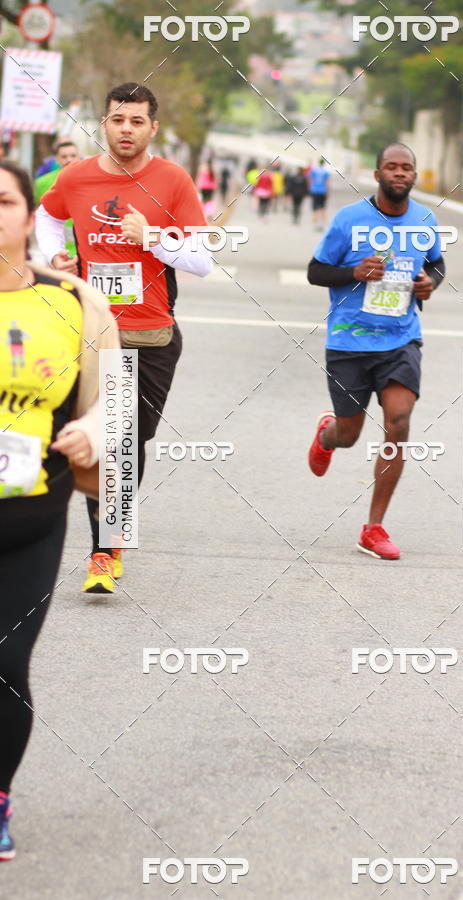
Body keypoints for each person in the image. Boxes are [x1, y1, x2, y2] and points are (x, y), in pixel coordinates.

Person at [35, 82, 213, 594]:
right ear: (105, 124)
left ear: (153, 127)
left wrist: (152, 238)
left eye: (137, 121)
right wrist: (54, 258)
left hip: (152, 334)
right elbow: (48, 216)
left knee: (131, 443)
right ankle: (104, 550)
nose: (126, 129)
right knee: (106, 441)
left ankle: (107, 538)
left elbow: (201, 261)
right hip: (92, 333)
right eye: (118, 119)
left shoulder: (174, 181)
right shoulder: (77, 177)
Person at [0, 160, 119, 860]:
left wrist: (92, 433)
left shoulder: (71, 302)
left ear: (25, 216)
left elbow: (115, 399)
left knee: (7, 660)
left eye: (3, 200)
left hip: (31, 514)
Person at [306, 143, 446, 560]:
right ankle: (327, 435)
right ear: (378, 173)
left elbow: (436, 264)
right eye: (392, 167)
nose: (400, 173)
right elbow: (315, 271)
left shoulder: (425, 219)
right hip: (348, 342)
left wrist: (429, 284)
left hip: (401, 339)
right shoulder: (349, 220)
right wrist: (353, 271)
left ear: (414, 176)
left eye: (407, 168)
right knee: (350, 435)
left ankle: (374, 527)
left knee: (398, 422)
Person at [34, 139, 80, 259]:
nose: (69, 160)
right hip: (54, 251)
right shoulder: (41, 183)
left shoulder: (90, 181)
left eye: (73, 156)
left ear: (79, 157)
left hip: (82, 251)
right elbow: (36, 211)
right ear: (56, 159)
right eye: (64, 156)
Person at [308, 157, 331, 229]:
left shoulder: (314, 170)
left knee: (314, 207)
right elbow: (327, 183)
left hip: (314, 190)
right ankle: (321, 223)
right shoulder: (326, 172)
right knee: (322, 207)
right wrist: (328, 192)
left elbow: (310, 180)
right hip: (323, 191)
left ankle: (315, 224)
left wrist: (310, 189)